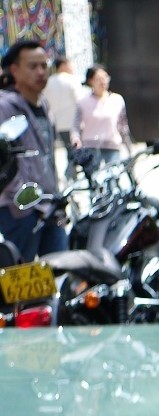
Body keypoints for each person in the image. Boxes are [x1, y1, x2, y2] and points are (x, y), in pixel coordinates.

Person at [0, 40, 63, 262]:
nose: (41, 72)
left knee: (60, 269)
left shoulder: (43, 103)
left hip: (50, 206)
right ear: (14, 70)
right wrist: (21, 198)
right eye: (33, 66)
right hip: (20, 211)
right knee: (21, 273)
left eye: (44, 65)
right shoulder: (4, 107)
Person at [73, 65, 132, 178]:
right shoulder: (83, 102)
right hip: (91, 147)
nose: (103, 82)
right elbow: (75, 125)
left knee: (113, 179)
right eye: (99, 79)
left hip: (112, 146)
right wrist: (75, 139)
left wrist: (129, 147)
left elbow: (123, 126)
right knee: (94, 180)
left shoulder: (117, 99)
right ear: (90, 81)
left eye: (105, 78)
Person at [43, 57, 79, 163]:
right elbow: (79, 101)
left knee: (70, 150)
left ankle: (70, 171)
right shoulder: (71, 80)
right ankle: (70, 171)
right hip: (73, 123)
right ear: (63, 65)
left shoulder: (48, 82)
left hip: (56, 123)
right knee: (76, 151)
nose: (72, 67)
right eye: (70, 64)